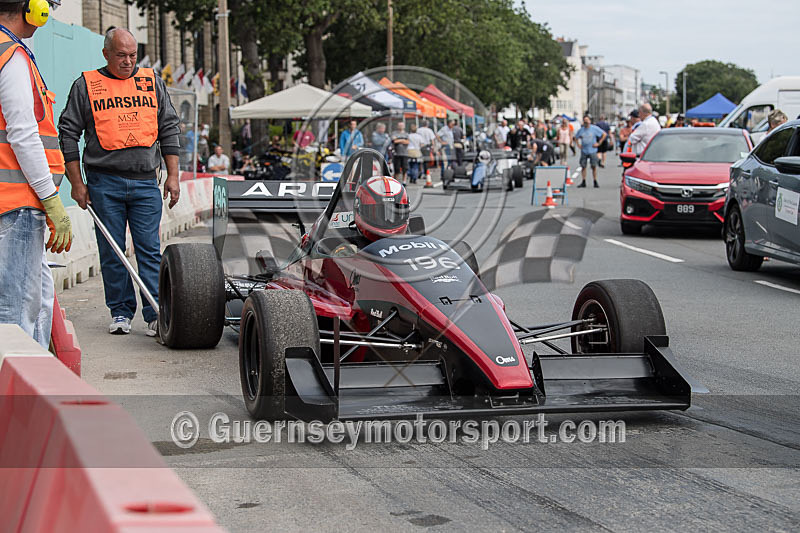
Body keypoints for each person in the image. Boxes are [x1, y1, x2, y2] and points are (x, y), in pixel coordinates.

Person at [58, 27, 180, 337]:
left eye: (132, 56)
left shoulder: (151, 82)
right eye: (121, 56)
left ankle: (155, 312)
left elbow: (169, 128)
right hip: (103, 183)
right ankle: (121, 312)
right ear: (106, 54)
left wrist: (174, 176)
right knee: (112, 252)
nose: (127, 62)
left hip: (145, 184)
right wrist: (77, 182)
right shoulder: (86, 86)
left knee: (149, 250)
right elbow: (68, 133)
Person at [0, 0, 72, 348]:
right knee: (17, 313)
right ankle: (19, 400)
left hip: (12, 207)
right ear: (30, 8)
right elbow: (23, 134)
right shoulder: (11, 56)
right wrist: (51, 199)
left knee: (36, 304)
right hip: (16, 206)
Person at [574, 115, 607, 188]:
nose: (586, 123)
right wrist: (578, 145)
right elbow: (576, 137)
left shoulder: (594, 129)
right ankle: (583, 181)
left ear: (590, 121)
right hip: (584, 150)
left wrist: (599, 143)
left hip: (592, 150)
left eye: (587, 121)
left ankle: (595, 180)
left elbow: (604, 134)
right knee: (583, 166)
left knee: (593, 166)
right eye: (585, 121)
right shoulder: (581, 130)